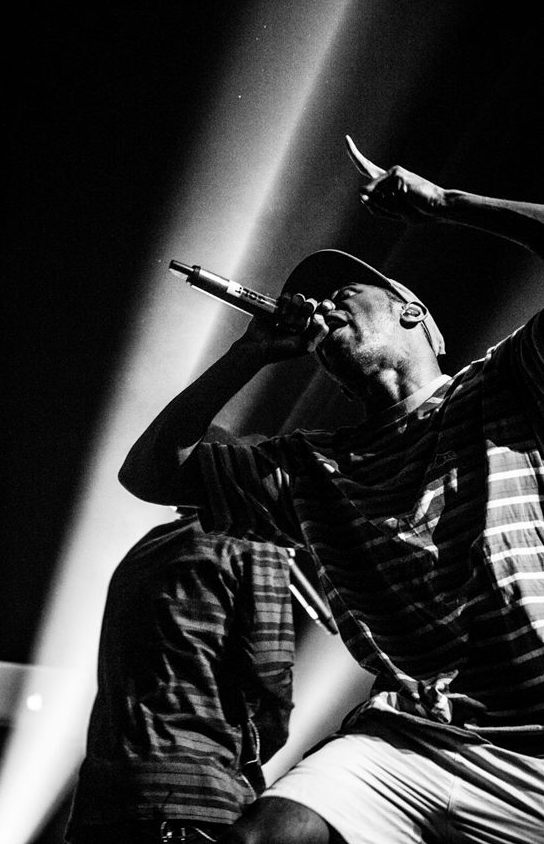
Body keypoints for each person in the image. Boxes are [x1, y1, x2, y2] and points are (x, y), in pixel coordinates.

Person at [118, 135, 544, 843]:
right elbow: (151, 472)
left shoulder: (499, 387)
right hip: (418, 736)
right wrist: (248, 353)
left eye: (343, 294)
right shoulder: (308, 467)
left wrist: (446, 205)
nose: (319, 307)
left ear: (415, 316)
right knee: (270, 834)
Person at [65, 441, 297, 844]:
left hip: (102, 803)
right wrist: (256, 757)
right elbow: (270, 674)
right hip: (191, 797)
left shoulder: (142, 550)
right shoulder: (252, 540)